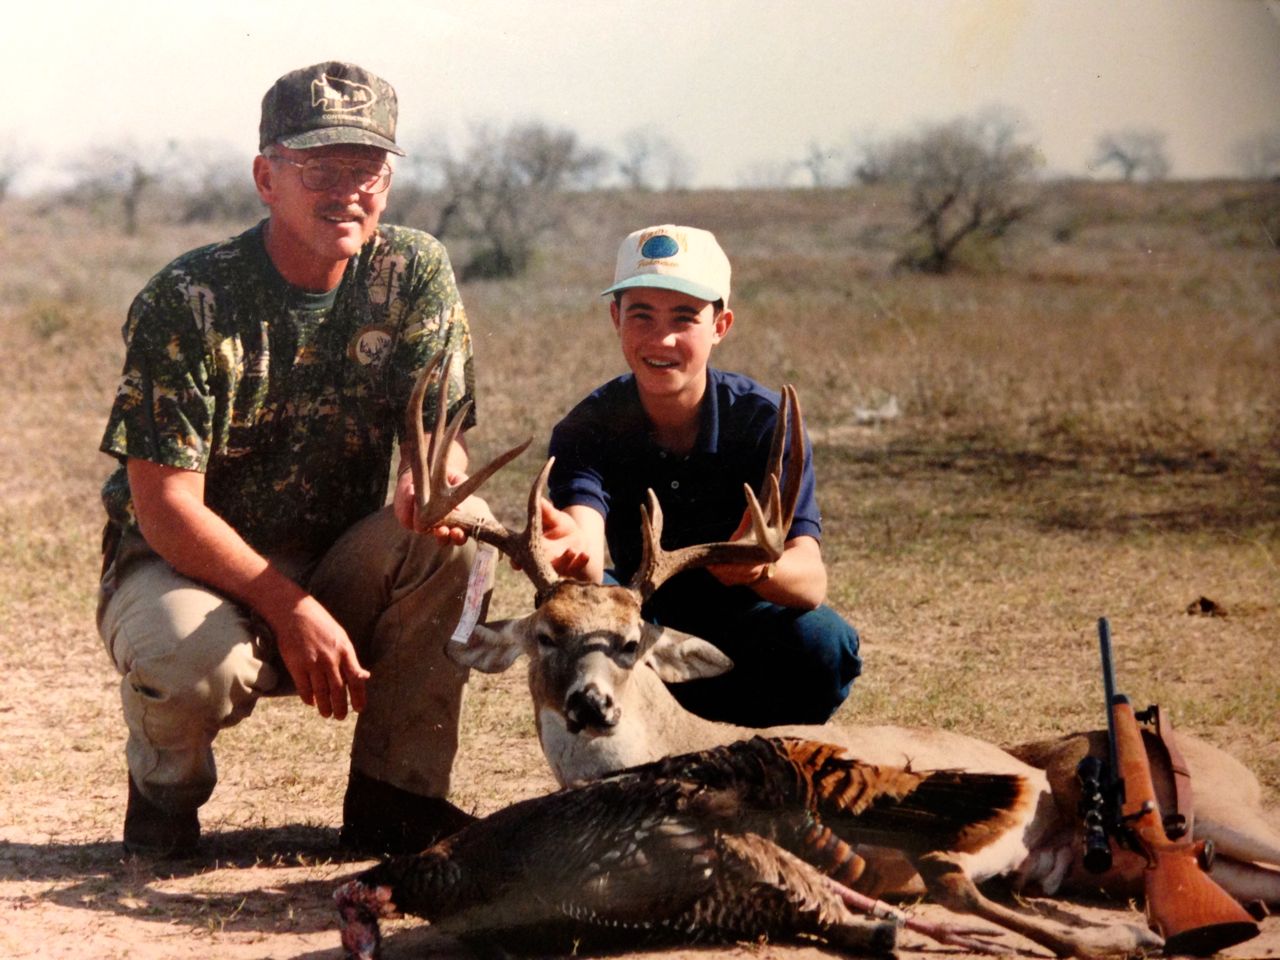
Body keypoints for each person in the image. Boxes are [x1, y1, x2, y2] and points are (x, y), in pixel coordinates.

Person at [97, 61, 487, 858]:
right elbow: (165, 506)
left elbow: (441, 440)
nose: (347, 189)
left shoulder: (411, 271)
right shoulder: (192, 298)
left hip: (338, 561)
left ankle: (396, 800)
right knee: (190, 660)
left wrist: (429, 482)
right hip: (187, 568)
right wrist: (288, 606)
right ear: (266, 179)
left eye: (367, 167)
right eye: (319, 168)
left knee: (457, 532)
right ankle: (163, 797)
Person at [545, 225, 862, 727]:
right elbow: (584, 530)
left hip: (746, 622)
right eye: (641, 316)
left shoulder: (766, 424)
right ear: (615, 318)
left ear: (721, 324)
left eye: (685, 318)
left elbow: (810, 581)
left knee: (824, 642)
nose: (661, 339)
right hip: (642, 627)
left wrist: (761, 570)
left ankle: (767, 751)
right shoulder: (588, 427)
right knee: (576, 621)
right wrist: (573, 551)